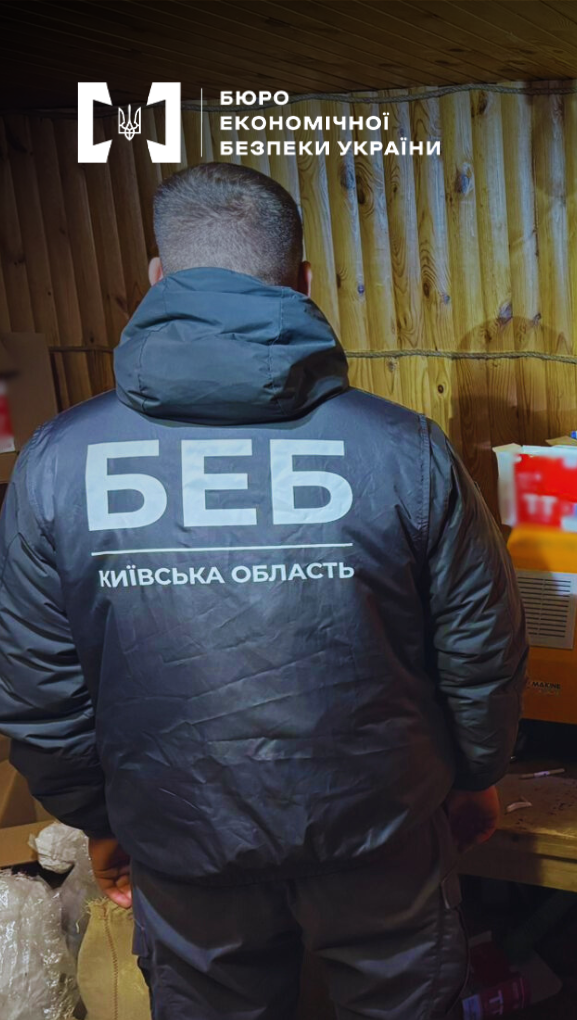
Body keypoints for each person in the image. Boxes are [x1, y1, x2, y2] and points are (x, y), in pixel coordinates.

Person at [0, 162, 528, 1019]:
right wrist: (477, 773)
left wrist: (101, 817)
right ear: (305, 282)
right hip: (382, 834)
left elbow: (37, 683)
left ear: (157, 280)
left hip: (180, 835)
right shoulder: (404, 449)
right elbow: (481, 645)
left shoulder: (59, 462)